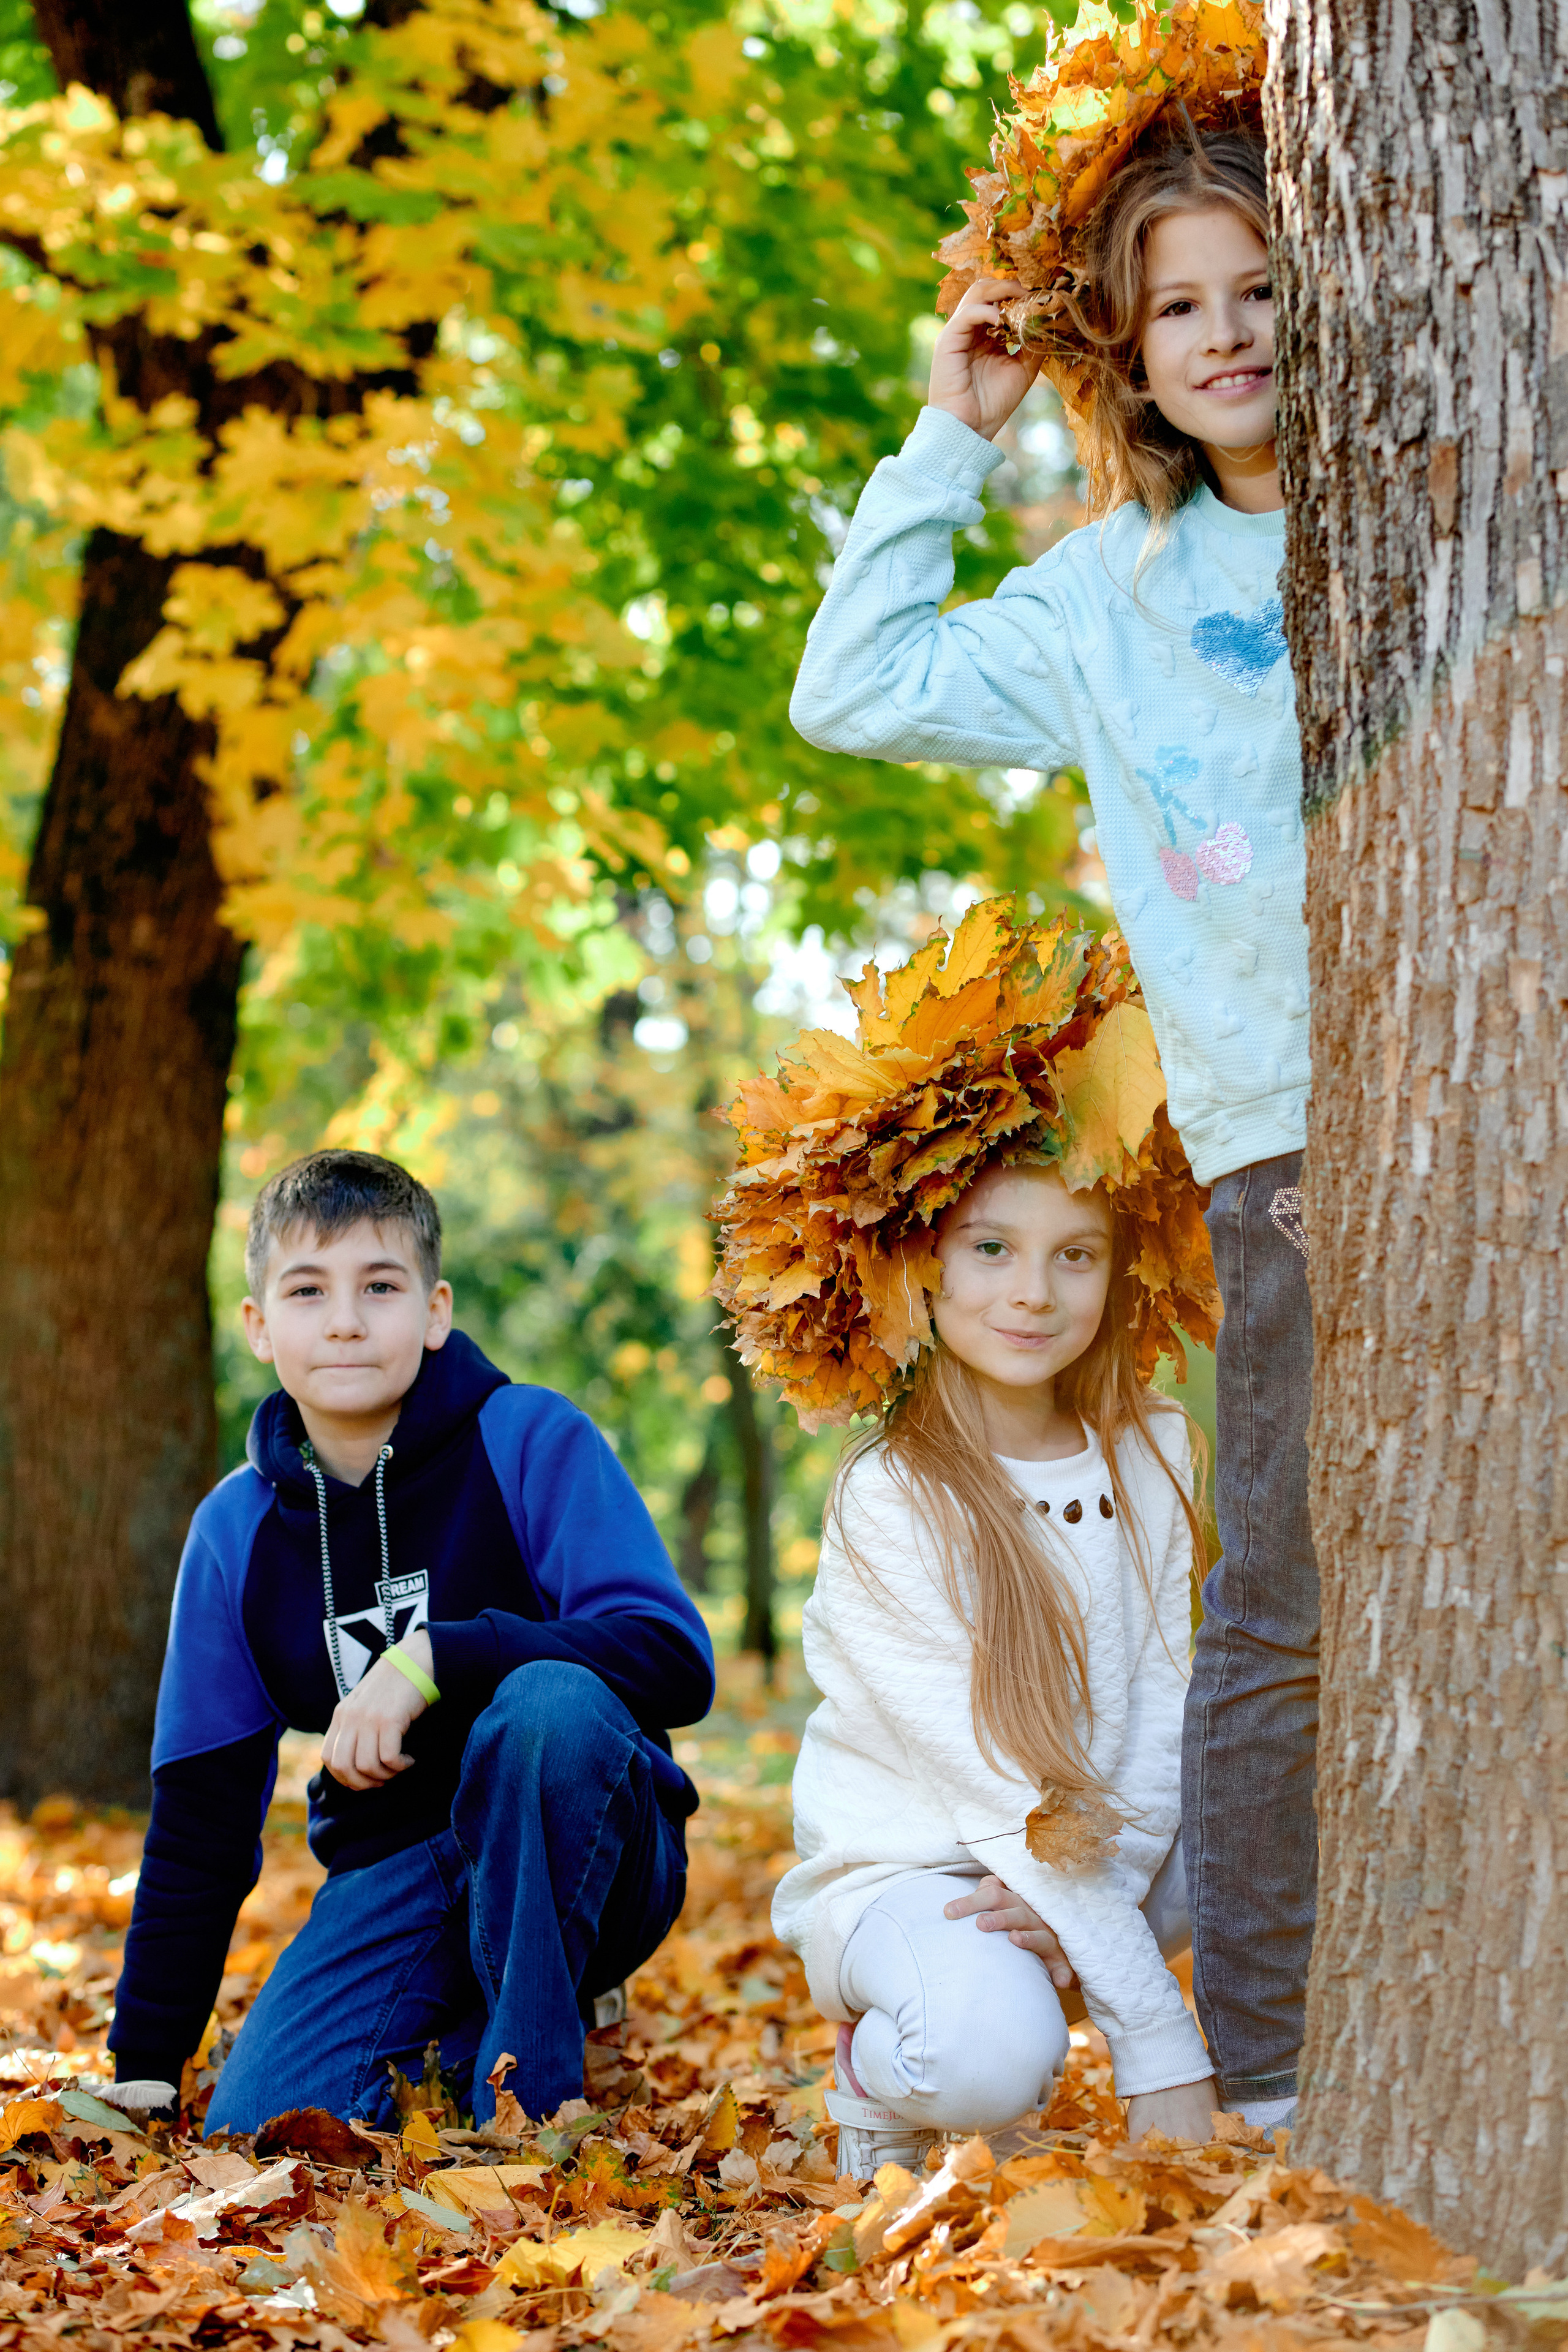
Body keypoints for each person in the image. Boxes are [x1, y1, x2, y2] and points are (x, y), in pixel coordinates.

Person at [788, 121, 1314, 2134]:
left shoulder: (1427, 512)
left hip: (1498, 1109)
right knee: (1280, 1605)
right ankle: (1263, 2075)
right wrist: (954, 438)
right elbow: (857, 688)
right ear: (1125, 354)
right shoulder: (1107, 597)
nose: (1228, 333)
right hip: (1277, 1140)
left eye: (1260, 290)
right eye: (1180, 306)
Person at [710, 905, 1223, 2176]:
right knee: (988, 2068)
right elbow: (993, 1789)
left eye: (1074, 1255)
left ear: (1119, 1272)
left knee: (1263, 1823)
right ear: (921, 1269)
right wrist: (1158, 2047)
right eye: (988, 1249)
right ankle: (876, 2076)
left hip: (1102, 1850)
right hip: (915, 1872)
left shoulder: (1153, 1447)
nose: (1030, 1292)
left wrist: (1085, 1923)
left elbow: (1163, 1711)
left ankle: (1059, 1984)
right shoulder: (893, 1494)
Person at [107, 1148, 714, 2131]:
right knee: (263, 2126)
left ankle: (526, 2111)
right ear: (259, 1328)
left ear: (433, 1313)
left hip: (593, 1835)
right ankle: (494, 2009)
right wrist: (146, 2056)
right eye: (307, 1290)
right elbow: (202, 1810)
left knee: (548, 1705)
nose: (345, 1318)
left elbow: (669, 1658)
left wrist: (433, 1659)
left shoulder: (528, 1437)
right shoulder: (236, 1533)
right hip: (399, 1868)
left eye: (379, 1286)